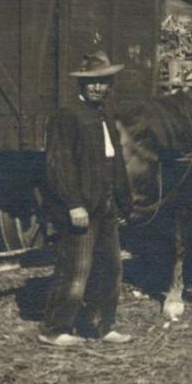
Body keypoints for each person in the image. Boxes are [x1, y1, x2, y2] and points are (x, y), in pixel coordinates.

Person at [39, 51, 133, 347]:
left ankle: (101, 326)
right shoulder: (67, 116)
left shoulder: (105, 114)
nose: (97, 88)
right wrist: (73, 204)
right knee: (76, 268)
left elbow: (115, 161)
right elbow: (59, 164)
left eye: (103, 82)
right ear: (82, 85)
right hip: (82, 206)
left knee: (110, 268)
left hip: (105, 203)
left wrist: (122, 200)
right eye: (92, 83)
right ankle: (54, 329)